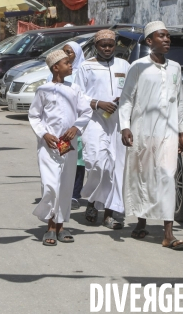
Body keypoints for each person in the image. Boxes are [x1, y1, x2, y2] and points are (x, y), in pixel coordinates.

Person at [119, 21, 183, 250]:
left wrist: (181, 132)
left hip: (168, 133)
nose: (167, 40)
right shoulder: (138, 67)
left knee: (167, 176)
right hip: (144, 131)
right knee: (144, 176)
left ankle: (168, 234)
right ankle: (141, 221)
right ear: (149, 41)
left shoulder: (175, 68)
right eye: (161, 36)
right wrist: (125, 126)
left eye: (168, 36)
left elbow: (179, 101)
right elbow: (127, 98)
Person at [29, 50, 92, 246]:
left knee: (65, 185)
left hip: (68, 144)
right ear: (56, 67)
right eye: (66, 63)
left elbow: (86, 110)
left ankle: (61, 226)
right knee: (50, 185)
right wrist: (43, 134)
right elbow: (34, 115)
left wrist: (76, 127)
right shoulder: (43, 90)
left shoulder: (74, 89)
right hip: (49, 145)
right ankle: (50, 225)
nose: (70, 65)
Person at [74, 30, 130, 230]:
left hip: (118, 122)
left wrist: (122, 100)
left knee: (115, 167)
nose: (107, 49)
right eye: (103, 45)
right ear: (96, 46)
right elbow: (77, 95)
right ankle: (91, 201)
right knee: (98, 163)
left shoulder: (124, 65)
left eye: (110, 45)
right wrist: (98, 103)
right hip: (95, 121)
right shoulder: (86, 67)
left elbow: (132, 91)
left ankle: (108, 213)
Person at [45, 42, 87, 210]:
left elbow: (84, 105)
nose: (67, 56)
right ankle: (55, 195)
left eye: (70, 53)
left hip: (74, 128)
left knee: (77, 161)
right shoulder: (48, 82)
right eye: (64, 52)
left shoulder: (79, 75)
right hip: (54, 130)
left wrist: (77, 126)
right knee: (56, 161)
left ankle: (74, 194)